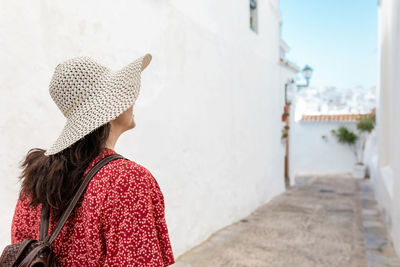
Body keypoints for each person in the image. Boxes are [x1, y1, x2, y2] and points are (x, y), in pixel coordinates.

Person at [10, 54, 175, 266]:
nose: (132, 100)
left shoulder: (36, 183)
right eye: (122, 93)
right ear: (112, 107)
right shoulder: (126, 181)